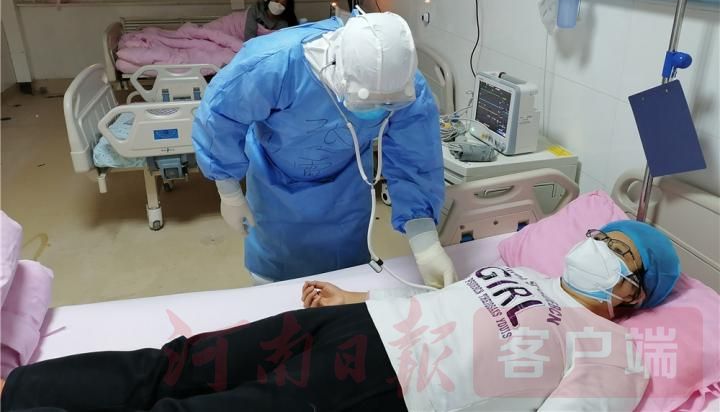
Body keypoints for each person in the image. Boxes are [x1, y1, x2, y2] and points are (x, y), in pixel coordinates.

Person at [0, 220, 681, 411]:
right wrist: (360, 300)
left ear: (633, 291)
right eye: (599, 236)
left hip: (399, 383)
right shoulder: (528, 275)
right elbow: (443, 304)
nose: (595, 247)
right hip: (361, 327)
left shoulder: (613, 352)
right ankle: (21, 389)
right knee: (182, 362)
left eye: (617, 250)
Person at [192, 11, 457, 287]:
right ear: (337, 71)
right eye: (366, 103)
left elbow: (415, 157)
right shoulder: (274, 64)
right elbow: (219, 117)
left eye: (385, 105)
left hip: (346, 184)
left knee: (345, 282)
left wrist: (426, 244)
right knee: (276, 282)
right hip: (275, 184)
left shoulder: (402, 84)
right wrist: (229, 191)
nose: (378, 111)